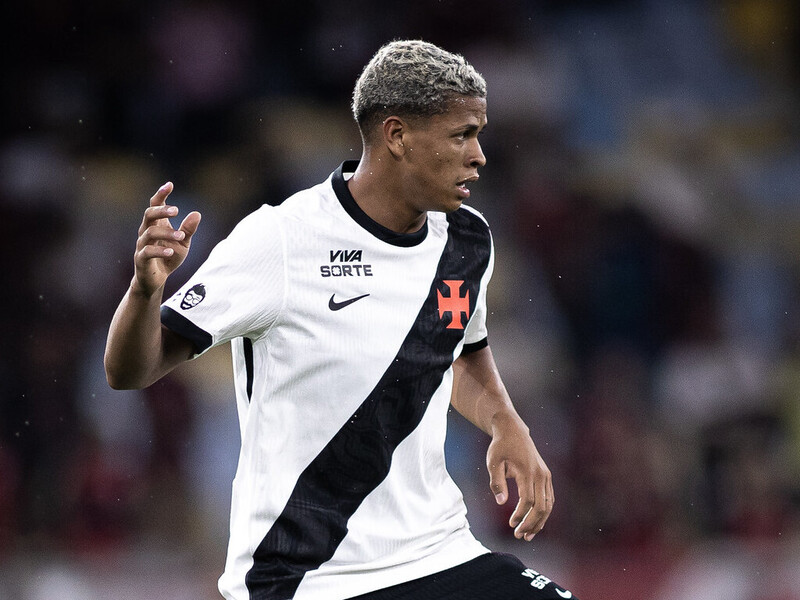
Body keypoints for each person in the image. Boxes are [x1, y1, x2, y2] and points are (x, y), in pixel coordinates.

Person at [105, 40, 578, 600]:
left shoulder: (467, 240)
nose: (478, 155)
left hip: (436, 553)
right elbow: (131, 370)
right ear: (397, 136)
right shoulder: (281, 240)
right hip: (307, 578)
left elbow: (461, 345)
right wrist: (144, 289)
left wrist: (506, 423)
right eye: (461, 134)